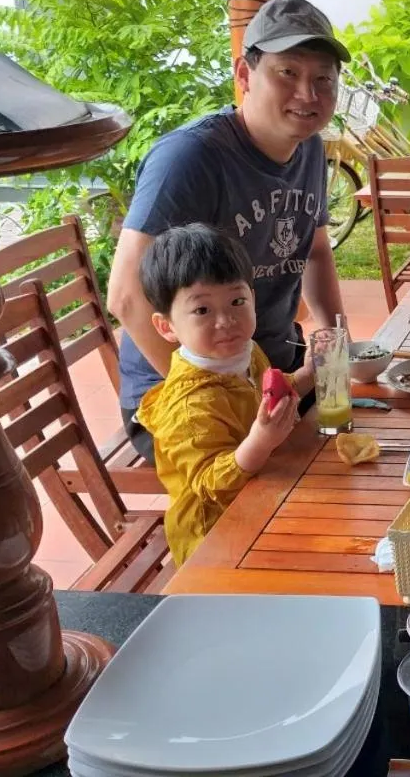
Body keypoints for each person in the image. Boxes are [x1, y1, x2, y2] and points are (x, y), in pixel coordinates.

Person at [108, 0, 350, 462]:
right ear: (244, 76)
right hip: (185, 398)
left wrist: (339, 342)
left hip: (269, 369)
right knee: (304, 474)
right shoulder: (190, 159)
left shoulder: (311, 150)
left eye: (324, 79)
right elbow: (125, 296)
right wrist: (208, 392)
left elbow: (315, 251)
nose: (309, 94)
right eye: (288, 74)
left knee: (370, 429)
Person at [134, 223, 313, 566]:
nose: (226, 321)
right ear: (166, 327)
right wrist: (260, 441)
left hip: (264, 495)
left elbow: (269, 398)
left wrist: (306, 376)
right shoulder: (190, 406)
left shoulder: (243, 350)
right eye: (202, 310)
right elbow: (209, 484)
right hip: (216, 540)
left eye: (236, 301)